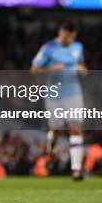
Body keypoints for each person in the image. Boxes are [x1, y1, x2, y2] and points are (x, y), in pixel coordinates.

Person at [31, 21, 88, 180]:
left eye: (71, 37)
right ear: (60, 32)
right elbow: (34, 69)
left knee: (76, 128)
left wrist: (83, 69)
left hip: (74, 93)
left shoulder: (78, 47)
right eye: (66, 36)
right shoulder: (48, 48)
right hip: (54, 95)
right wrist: (51, 69)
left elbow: (80, 63)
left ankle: (76, 169)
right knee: (56, 128)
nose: (68, 40)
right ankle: (52, 140)